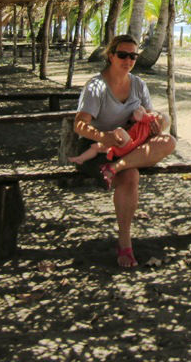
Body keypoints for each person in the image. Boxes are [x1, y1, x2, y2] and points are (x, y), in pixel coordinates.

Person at [71, 34, 175, 268]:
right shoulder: (96, 86)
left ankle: (116, 167)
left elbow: (146, 118)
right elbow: (79, 124)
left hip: (129, 147)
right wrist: (104, 136)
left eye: (133, 56)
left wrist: (155, 124)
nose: (128, 60)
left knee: (169, 141)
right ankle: (125, 244)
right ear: (110, 56)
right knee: (131, 177)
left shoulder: (139, 84)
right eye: (122, 55)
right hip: (97, 148)